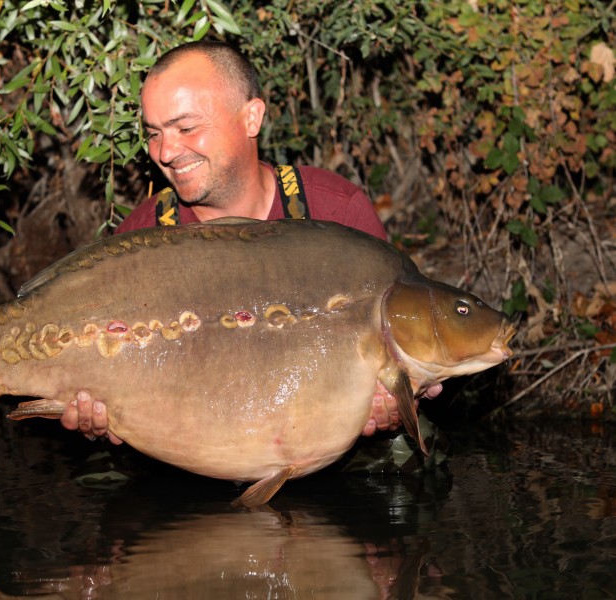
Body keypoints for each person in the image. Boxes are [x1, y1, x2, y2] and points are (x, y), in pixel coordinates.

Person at [61, 40, 442, 455]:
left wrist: (396, 405)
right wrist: (98, 413)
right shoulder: (141, 236)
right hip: (188, 478)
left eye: (186, 128)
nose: (166, 153)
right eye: (154, 134)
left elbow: (393, 359)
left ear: (251, 117)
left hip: (334, 471)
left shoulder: (336, 210)